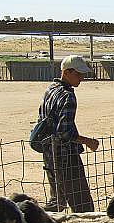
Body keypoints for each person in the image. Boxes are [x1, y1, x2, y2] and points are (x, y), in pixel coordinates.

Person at [37, 55, 99, 212]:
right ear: (66, 72)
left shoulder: (51, 89)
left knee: (57, 201)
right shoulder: (68, 96)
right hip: (66, 157)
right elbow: (65, 132)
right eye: (78, 74)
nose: (81, 78)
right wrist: (88, 141)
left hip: (49, 153)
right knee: (83, 206)